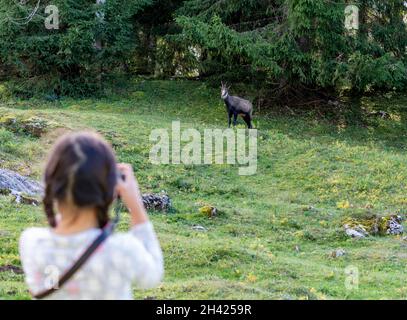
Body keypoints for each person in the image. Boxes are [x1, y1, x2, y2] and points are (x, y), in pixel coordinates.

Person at [19, 131, 164, 299]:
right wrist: (136, 206)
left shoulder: (32, 242)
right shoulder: (121, 250)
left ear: (51, 186)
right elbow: (152, 276)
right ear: (112, 190)